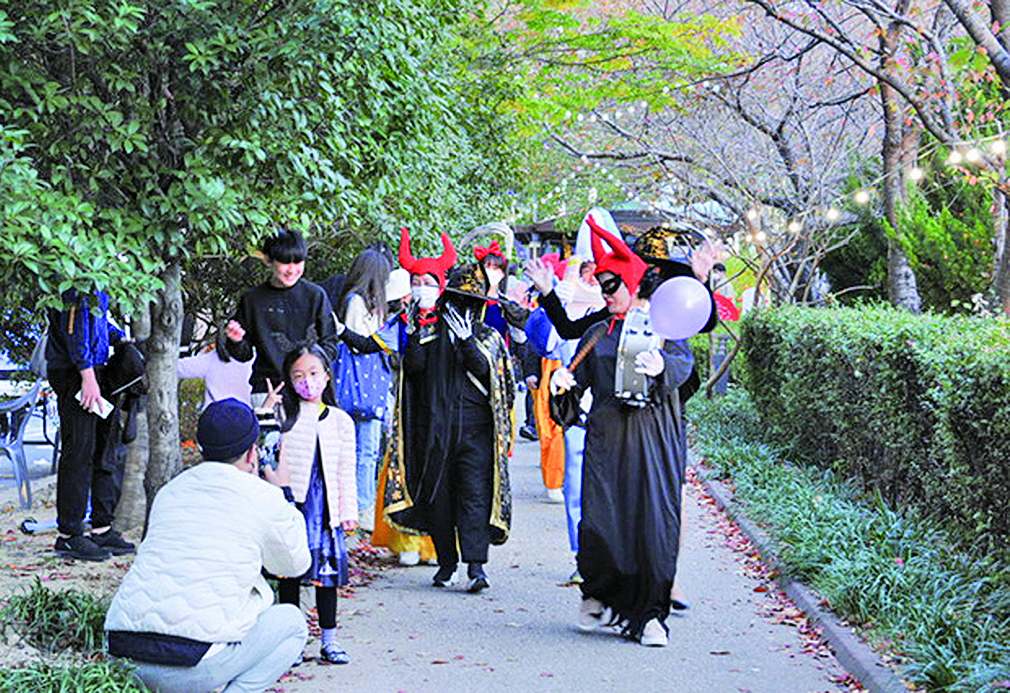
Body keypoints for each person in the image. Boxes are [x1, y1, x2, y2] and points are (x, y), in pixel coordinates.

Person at [550, 218, 705, 647]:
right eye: (601, 287)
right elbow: (575, 381)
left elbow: (684, 368)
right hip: (607, 442)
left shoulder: (664, 326)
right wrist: (561, 385)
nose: (605, 294)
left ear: (633, 282)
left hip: (654, 443)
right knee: (602, 524)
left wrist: (663, 369)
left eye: (612, 286)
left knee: (654, 525)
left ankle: (652, 616)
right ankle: (597, 596)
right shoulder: (599, 330)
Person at [104, 399, 311, 693]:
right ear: (253, 452)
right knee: (292, 623)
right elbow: (294, 565)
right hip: (189, 665)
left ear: (201, 448)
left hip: (122, 656)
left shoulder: (170, 491)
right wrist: (286, 494)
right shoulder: (264, 496)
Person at [384, 235, 514, 593]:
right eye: (456, 300)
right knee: (439, 497)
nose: (462, 308)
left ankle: (476, 566)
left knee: (473, 495)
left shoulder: (487, 336)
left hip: (476, 431)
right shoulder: (428, 330)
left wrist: (468, 343)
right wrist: (415, 332)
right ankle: (446, 563)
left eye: (469, 302)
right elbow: (413, 369)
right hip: (435, 429)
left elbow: (497, 379)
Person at [271, 344, 358, 664]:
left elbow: (346, 470)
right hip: (293, 506)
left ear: (326, 375)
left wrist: (348, 512)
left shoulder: (340, 420)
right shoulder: (282, 414)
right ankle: (291, 643)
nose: (307, 381)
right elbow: (264, 451)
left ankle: (329, 640)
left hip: (327, 511)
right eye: (298, 375)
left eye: (313, 373)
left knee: (327, 576)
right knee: (289, 575)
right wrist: (267, 411)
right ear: (288, 379)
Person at [46, 288, 134, 561]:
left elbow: (98, 318)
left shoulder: (104, 278)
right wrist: (86, 375)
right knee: (79, 450)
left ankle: (101, 527)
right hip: (77, 373)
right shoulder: (75, 279)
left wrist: (118, 338)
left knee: (105, 448)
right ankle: (70, 535)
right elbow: (73, 326)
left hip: (97, 368)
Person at [225, 228, 341, 404]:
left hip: (310, 390)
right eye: (285, 263)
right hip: (268, 389)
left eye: (298, 262)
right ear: (268, 261)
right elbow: (244, 354)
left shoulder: (315, 295)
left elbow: (330, 344)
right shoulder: (252, 299)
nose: (292, 270)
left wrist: (311, 374)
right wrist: (236, 341)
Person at [333, 248, 393, 532]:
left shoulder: (363, 301)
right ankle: (362, 508)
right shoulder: (358, 302)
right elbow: (362, 343)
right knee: (365, 451)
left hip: (364, 388)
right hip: (364, 387)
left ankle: (358, 506)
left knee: (362, 449)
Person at [177, 325, 253, 410]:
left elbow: (178, 368)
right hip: (245, 415)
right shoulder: (256, 360)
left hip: (214, 415)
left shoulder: (211, 359)